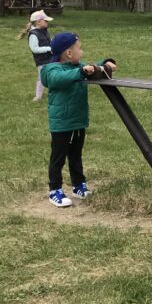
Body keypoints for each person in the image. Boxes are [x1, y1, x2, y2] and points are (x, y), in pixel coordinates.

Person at [41, 31, 117, 207]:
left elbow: (90, 68)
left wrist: (105, 64)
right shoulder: (52, 70)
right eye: (79, 48)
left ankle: (78, 185)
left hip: (77, 121)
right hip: (61, 123)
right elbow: (60, 78)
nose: (81, 52)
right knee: (58, 157)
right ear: (69, 53)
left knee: (76, 155)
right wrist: (81, 71)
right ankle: (55, 189)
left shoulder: (77, 67)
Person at [18, 10, 54, 101]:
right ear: (39, 22)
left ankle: (55, 93)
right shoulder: (33, 34)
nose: (47, 22)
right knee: (42, 78)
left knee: (53, 76)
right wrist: (49, 48)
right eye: (45, 21)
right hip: (42, 60)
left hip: (50, 58)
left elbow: (48, 41)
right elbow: (35, 49)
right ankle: (38, 96)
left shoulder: (44, 31)